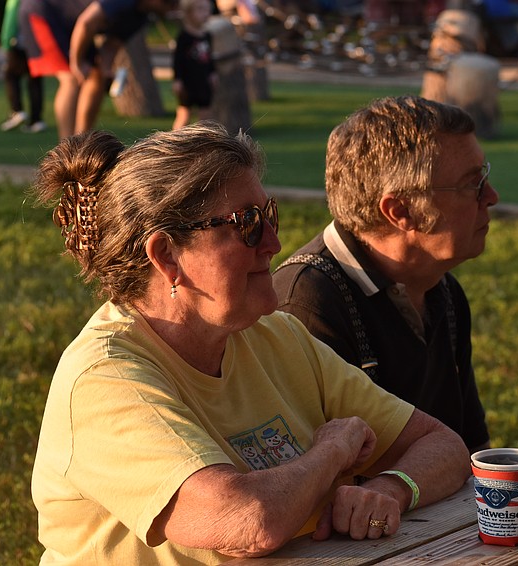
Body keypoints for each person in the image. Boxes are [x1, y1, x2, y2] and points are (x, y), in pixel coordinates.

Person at [29, 122, 470, 563]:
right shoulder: (103, 379)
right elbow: (247, 520)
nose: (274, 243)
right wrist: (332, 452)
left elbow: (444, 445)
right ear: (166, 256)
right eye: (248, 225)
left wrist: (390, 487)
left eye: (269, 215)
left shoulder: (277, 336)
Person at [272, 96, 495, 455]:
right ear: (399, 211)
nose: (492, 197)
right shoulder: (307, 304)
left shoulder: (443, 290)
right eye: (472, 185)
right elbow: (321, 481)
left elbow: (473, 450)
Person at [19, 0, 177, 140]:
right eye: (168, 3)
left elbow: (111, 46)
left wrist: (107, 69)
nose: (171, 8)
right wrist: (76, 61)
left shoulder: (140, 16)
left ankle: (82, 141)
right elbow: (86, 22)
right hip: (42, 11)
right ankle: (66, 148)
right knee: (71, 79)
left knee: (97, 76)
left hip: (72, 26)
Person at [0, 0, 47, 133]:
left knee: (10, 75)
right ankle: (37, 119)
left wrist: (6, 42)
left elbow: (11, 19)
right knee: (35, 79)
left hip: (18, 42)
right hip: (36, 41)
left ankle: (17, 110)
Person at [172, 0, 217, 129]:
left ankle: (201, 143)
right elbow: (177, 60)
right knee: (184, 114)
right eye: (200, 9)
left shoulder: (208, 36)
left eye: (207, 10)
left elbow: (209, 58)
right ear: (189, 12)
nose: (205, 13)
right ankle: (174, 143)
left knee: (205, 115)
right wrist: (177, 79)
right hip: (188, 82)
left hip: (203, 81)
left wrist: (213, 73)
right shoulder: (184, 37)